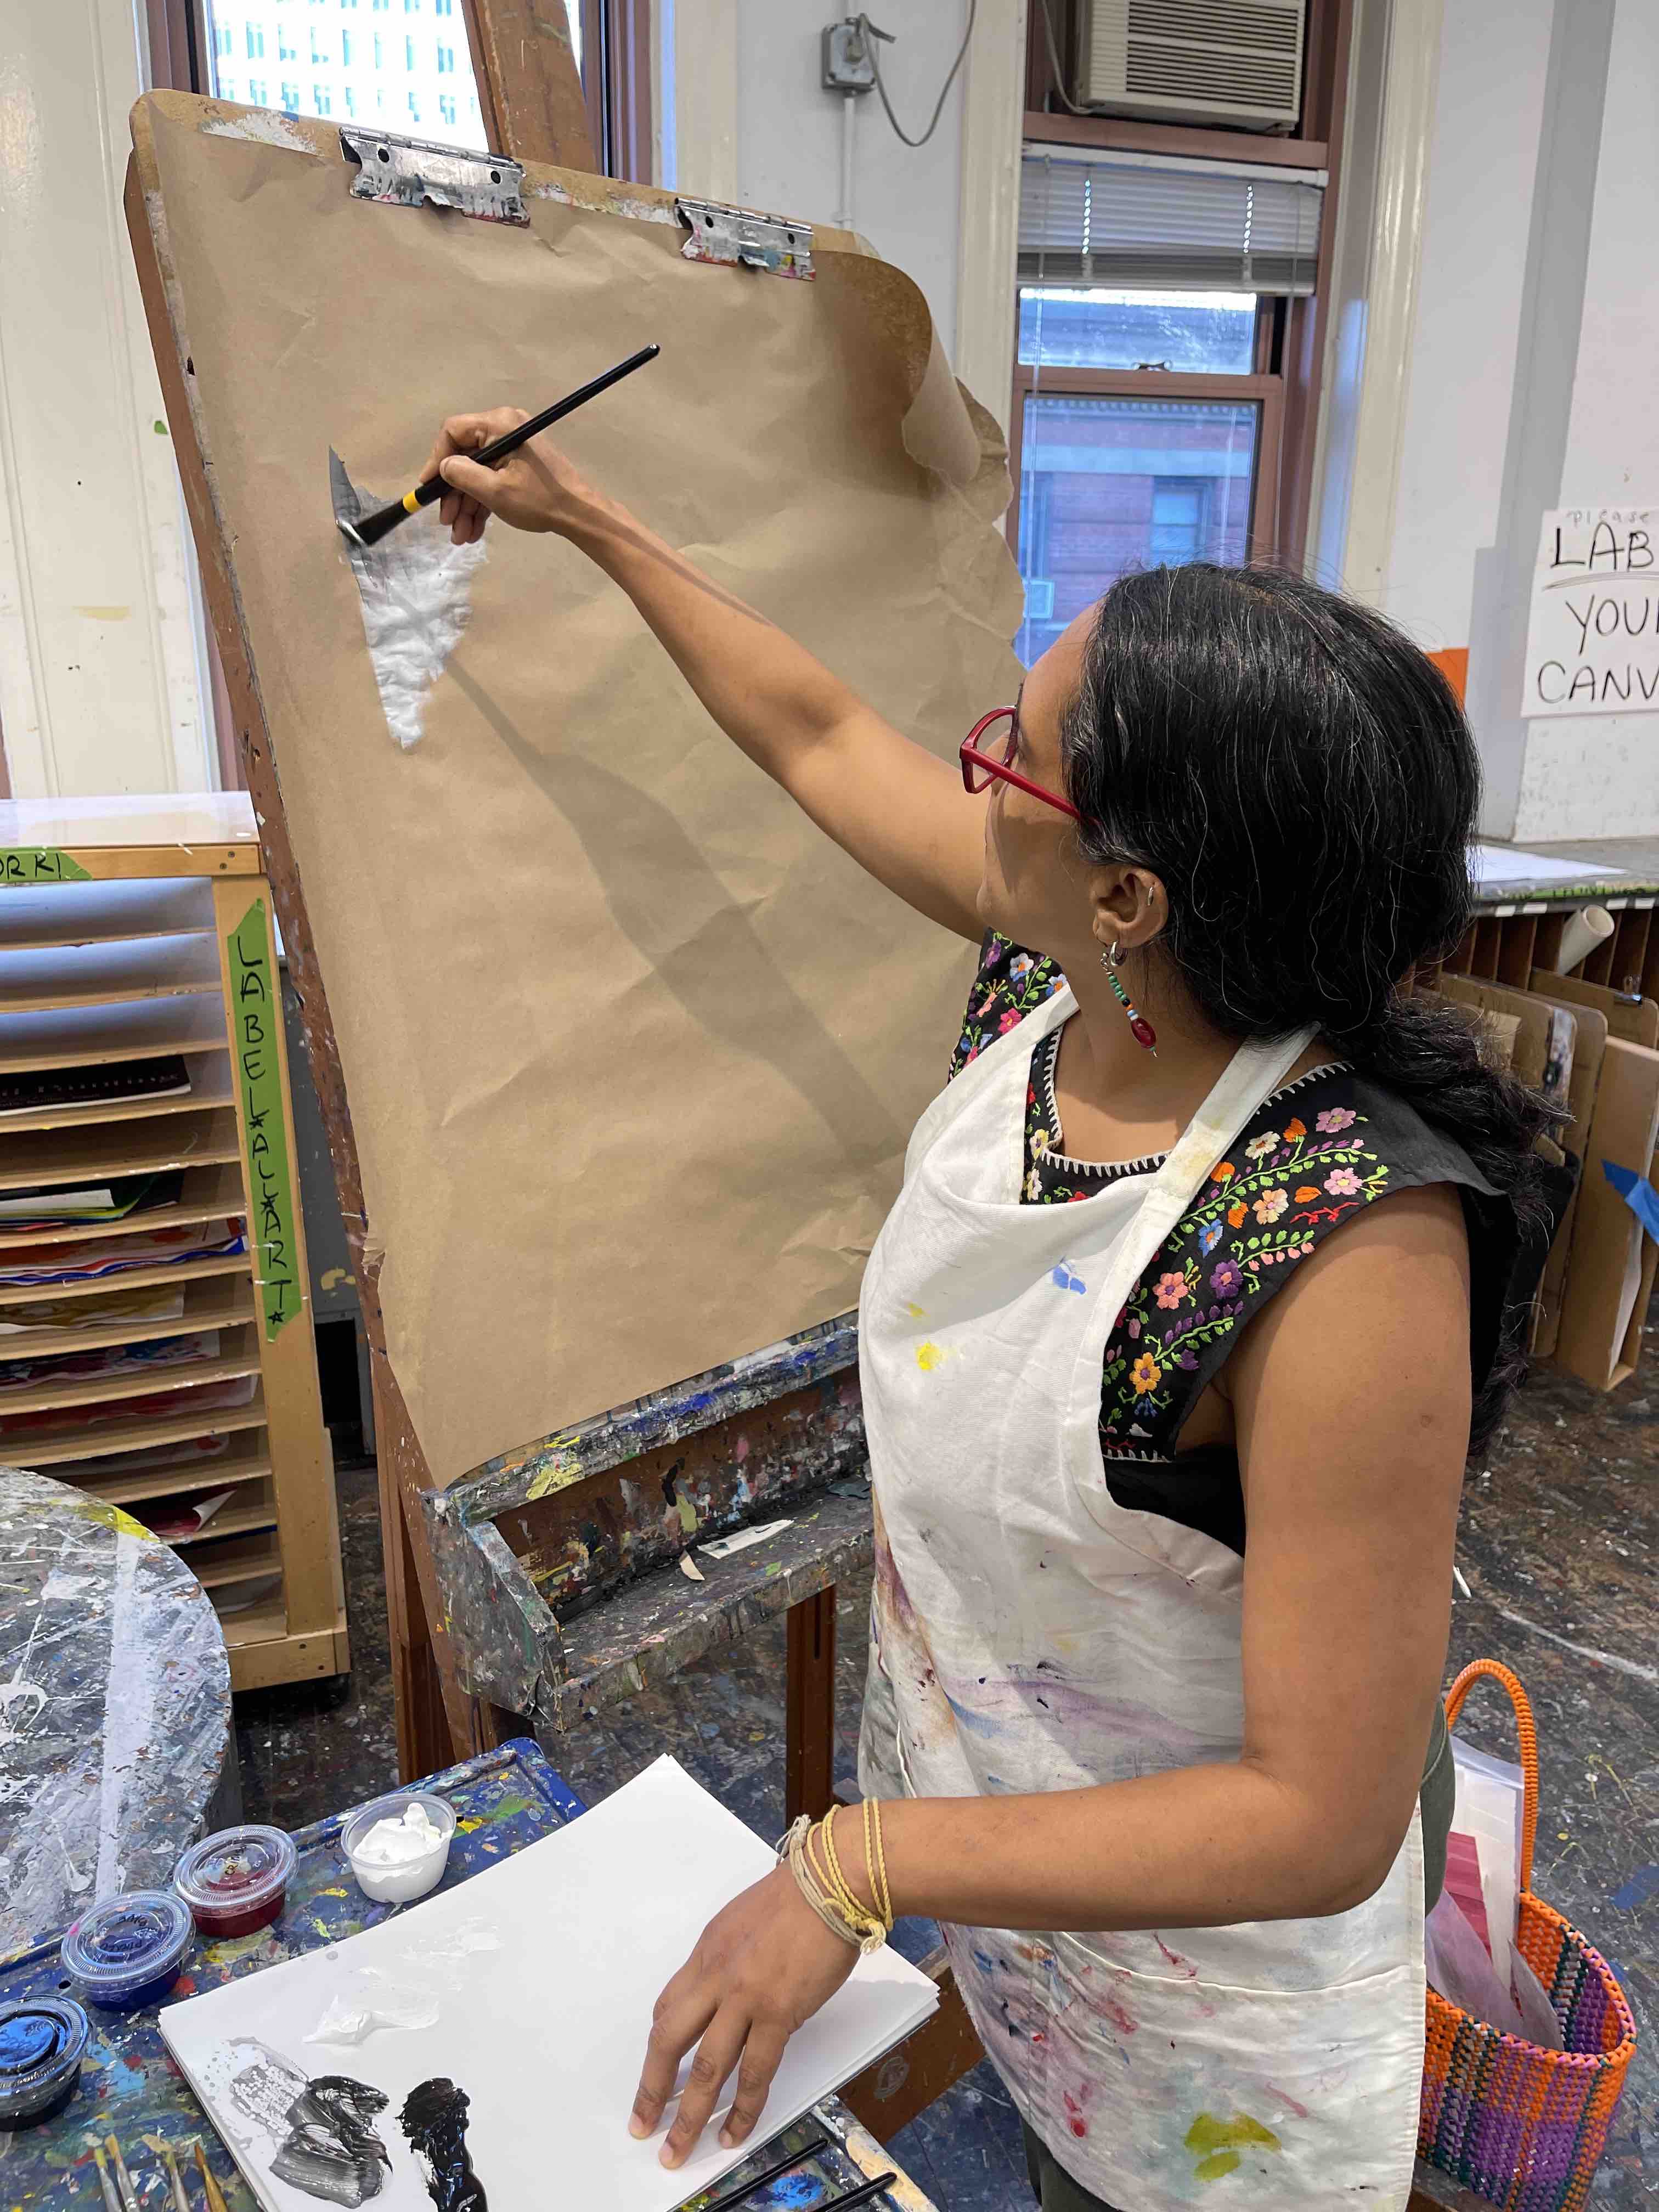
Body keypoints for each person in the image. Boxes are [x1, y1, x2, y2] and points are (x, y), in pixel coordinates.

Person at [425, 410, 1547, 2211]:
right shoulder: (1077, 989)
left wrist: (850, 1864)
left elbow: (1323, 1816)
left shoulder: (1349, 1247)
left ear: (1131, 893)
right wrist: (582, 519)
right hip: (1034, 1923)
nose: (969, 784)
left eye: (1006, 760)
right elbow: (811, 729)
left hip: (1219, 2064)